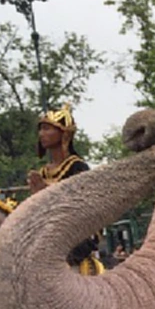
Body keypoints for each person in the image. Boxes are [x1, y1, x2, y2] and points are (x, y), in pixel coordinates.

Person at [29, 104, 98, 269]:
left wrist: (46, 192)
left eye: (47, 129)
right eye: (41, 129)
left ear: (64, 133)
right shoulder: (43, 171)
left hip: (75, 238)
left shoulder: (77, 167)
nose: (41, 134)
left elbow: (83, 208)